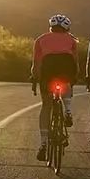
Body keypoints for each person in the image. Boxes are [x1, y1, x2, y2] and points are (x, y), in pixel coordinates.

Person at [30, 14, 79, 161]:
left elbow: (36, 65)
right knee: (66, 82)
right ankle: (68, 110)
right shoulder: (72, 40)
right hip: (66, 64)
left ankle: (43, 144)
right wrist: (74, 79)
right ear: (67, 28)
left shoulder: (40, 39)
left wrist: (36, 79)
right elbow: (75, 64)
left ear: (51, 27)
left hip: (48, 67)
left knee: (46, 105)